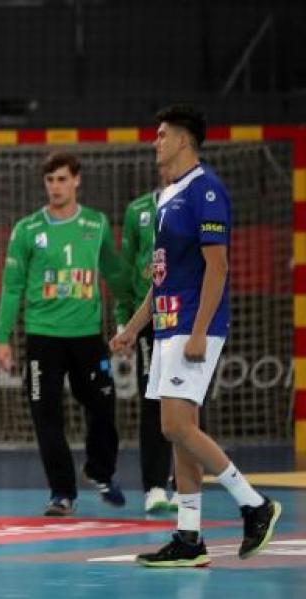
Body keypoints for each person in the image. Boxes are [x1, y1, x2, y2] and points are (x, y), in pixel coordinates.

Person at [110, 104, 281, 567]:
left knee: (175, 426)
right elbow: (161, 278)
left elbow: (218, 266)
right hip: (167, 324)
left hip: (192, 324)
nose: (155, 142)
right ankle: (189, 538)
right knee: (181, 433)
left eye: (162, 134)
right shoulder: (168, 196)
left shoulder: (206, 190)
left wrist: (200, 331)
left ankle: (255, 505)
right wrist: (133, 329)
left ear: (184, 140)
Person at [0, 151, 129, 516]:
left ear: (76, 181)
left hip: (87, 336)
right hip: (43, 337)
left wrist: (129, 321)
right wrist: (1, 338)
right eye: (50, 180)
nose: (56, 187)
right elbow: (12, 287)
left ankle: (99, 470)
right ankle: (62, 492)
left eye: (62, 179)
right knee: (46, 416)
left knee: (103, 406)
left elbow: (115, 274)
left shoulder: (96, 224)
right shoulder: (27, 230)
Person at [118, 178, 177, 515]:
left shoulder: (200, 203)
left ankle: (185, 485)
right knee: (152, 399)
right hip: (150, 321)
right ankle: (155, 487)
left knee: (189, 403)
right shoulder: (138, 211)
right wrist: (124, 323)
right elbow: (127, 271)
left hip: (186, 318)